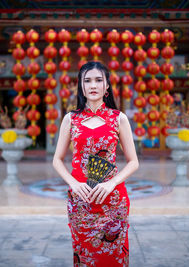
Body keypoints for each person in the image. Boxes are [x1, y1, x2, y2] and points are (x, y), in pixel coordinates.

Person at [53, 61, 139, 266]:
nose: (93, 85)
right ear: (81, 86)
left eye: (98, 80)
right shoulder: (70, 119)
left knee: (113, 257)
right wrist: (73, 183)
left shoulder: (119, 119)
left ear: (107, 85)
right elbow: (57, 160)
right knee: (84, 257)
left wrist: (111, 183)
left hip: (113, 199)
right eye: (87, 80)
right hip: (81, 199)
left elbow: (133, 162)